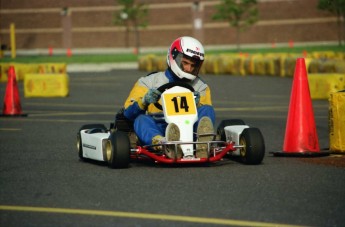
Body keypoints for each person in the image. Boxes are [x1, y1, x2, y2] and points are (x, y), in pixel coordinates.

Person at [123, 36, 215, 159]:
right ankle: (164, 145)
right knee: (141, 120)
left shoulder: (200, 87)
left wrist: (197, 104)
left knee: (207, 109)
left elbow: (205, 114)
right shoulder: (149, 82)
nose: (189, 69)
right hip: (158, 125)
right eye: (185, 63)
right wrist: (144, 101)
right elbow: (127, 113)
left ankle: (202, 145)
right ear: (174, 57)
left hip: (190, 128)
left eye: (193, 65)